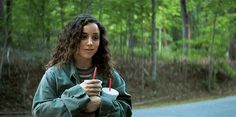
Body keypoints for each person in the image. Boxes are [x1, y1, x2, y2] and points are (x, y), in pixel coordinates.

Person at [32, 14, 132, 117]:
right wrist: (79, 93)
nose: (90, 43)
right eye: (83, 37)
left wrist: (101, 103)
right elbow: (39, 111)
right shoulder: (54, 74)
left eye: (95, 38)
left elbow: (127, 110)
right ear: (72, 39)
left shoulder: (109, 74)